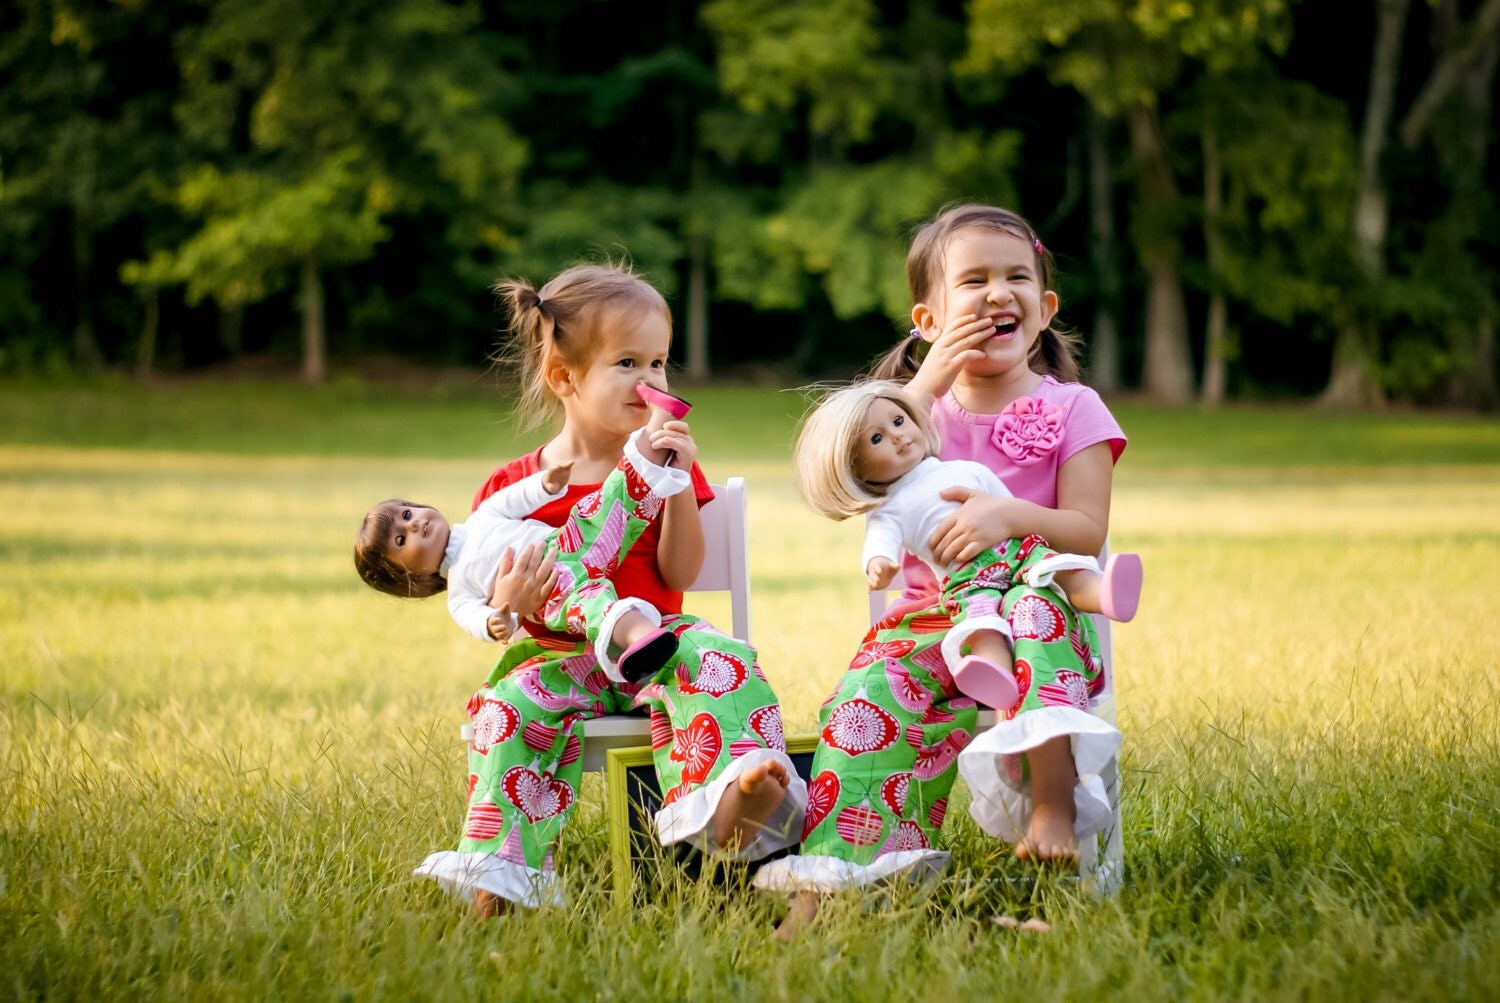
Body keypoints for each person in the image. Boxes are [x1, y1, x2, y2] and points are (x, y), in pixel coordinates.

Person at [756, 203, 1130, 934]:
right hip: (934, 620)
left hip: (1035, 602)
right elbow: (842, 476)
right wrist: (924, 383)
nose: (998, 293)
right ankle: (834, 882)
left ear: (1045, 308)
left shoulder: (1075, 408)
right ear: (927, 320)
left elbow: (1087, 530)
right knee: (864, 698)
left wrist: (1008, 516)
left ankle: (1053, 803)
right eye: (975, 280)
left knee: (1035, 617)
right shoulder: (904, 419)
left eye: (1016, 277)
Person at [413, 263, 806, 915]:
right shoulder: (511, 487)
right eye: (628, 363)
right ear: (564, 378)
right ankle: (499, 871)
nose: (651, 381)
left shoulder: (669, 460)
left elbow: (681, 574)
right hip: (564, 657)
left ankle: (733, 796)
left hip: (657, 643)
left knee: (722, 659)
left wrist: (677, 482)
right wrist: (510, 603)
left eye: (659, 363)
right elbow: (493, 604)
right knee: (507, 707)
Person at [791, 379, 1141, 710]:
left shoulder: (965, 468)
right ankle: (994, 673)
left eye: (898, 421)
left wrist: (1014, 523)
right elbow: (879, 542)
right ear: (857, 471)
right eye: (877, 438)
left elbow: (1006, 506)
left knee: (1053, 568)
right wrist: (878, 564)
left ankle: (1104, 594)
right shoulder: (890, 509)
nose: (897, 435)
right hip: (967, 578)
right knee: (980, 621)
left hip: (1014, 549)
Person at [353, 386, 692, 685]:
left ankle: (660, 421)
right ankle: (645, 638)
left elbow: (514, 498)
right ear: (410, 576)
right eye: (401, 540)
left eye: (407, 514)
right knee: (595, 609)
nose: (413, 525)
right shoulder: (459, 592)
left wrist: (546, 484)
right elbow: (478, 620)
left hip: (569, 543)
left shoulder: (482, 515)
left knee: (615, 498)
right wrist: (497, 618)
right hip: (555, 596)